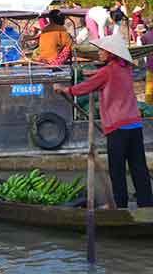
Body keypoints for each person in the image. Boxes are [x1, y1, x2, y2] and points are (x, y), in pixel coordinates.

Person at [54, 34, 153, 208]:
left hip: (118, 127)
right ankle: (146, 203)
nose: (99, 53)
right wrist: (93, 72)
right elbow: (105, 74)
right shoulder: (126, 67)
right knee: (139, 166)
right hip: (134, 125)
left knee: (117, 169)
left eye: (102, 51)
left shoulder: (108, 72)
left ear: (111, 53)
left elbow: (86, 87)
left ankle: (120, 205)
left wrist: (65, 89)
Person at [142, 24, 153, 104]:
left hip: (151, 65)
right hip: (150, 65)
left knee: (149, 89)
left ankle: (148, 108)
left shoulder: (146, 36)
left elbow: (143, 43)